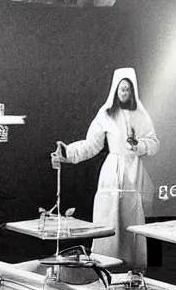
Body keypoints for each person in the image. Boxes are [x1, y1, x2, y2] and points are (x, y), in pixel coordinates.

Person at [56, 67, 159, 270]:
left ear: (133, 91)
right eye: (121, 89)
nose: (124, 93)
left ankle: (133, 268)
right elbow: (92, 144)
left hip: (133, 171)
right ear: (115, 90)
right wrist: (69, 152)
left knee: (132, 218)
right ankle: (105, 264)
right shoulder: (106, 114)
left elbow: (153, 143)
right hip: (112, 171)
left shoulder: (141, 115)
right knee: (108, 216)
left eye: (127, 89)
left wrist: (138, 146)